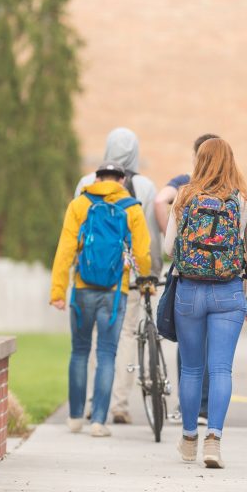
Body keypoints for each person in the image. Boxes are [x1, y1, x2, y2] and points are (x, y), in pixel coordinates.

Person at [163, 137, 247, 469]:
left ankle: (189, 437)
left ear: (200, 161)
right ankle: (214, 441)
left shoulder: (184, 196)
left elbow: (168, 249)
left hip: (189, 291)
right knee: (221, 368)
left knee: (191, 368)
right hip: (228, 291)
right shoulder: (246, 201)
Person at [50, 161, 152, 437]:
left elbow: (65, 249)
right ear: (121, 180)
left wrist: (58, 291)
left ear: (96, 179)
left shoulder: (79, 205)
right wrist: (146, 281)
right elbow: (142, 252)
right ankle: (98, 421)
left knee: (80, 351)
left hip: (82, 289)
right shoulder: (132, 207)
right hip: (115, 292)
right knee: (107, 354)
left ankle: (74, 418)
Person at [73, 128, 162, 425]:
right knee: (123, 337)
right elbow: (148, 238)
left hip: (88, 278)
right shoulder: (145, 186)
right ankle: (119, 404)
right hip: (128, 278)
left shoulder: (87, 183)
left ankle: (90, 403)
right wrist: (151, 274)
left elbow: (76, 232)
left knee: (92, 339)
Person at [154, 133, 219, 425]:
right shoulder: (232, 190)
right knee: (214, 348)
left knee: (188, 345)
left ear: (196, 156)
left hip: (189, 277)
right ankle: (208, 411)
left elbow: (159, 200)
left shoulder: (184, 187)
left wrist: (175, 238)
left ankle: (187, 408)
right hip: (222, 280)